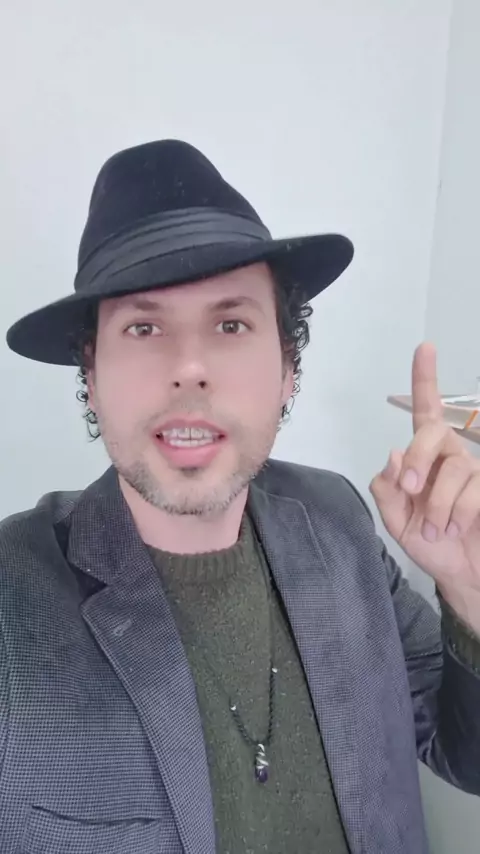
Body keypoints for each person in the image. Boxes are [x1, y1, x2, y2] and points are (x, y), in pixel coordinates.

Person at [2, 139, 480, 854]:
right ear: (91, 377)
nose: (190, 367)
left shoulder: (338, 520)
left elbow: (464, 754)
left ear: (288, 370)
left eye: (231, 325)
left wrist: (469, 593)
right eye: (143, 326)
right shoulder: (12, 592)